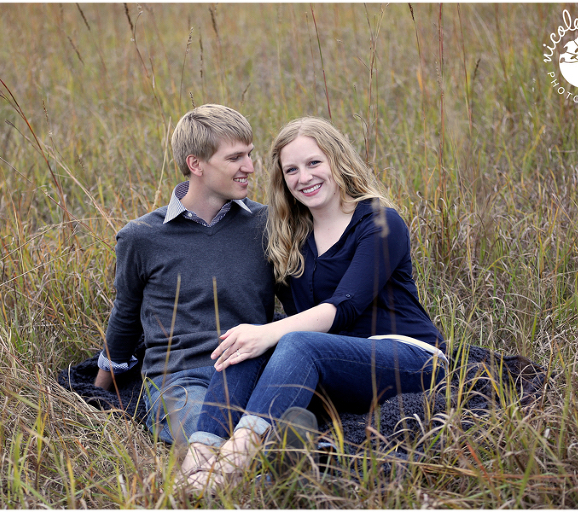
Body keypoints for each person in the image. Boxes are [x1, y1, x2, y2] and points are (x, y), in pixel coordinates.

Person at [180, 117, 447, 488]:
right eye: (292, 170)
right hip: (339, 368)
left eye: (314, 163)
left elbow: (345, 307)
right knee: (245, 346)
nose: (304, 177)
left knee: (291, 341)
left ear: (337, 160)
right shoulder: (291, 236)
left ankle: (233, 462)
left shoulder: (380, 222)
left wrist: (268, 333)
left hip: (409, 358)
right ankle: (197, 459)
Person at [94, 104, 284, 446]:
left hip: (252, 369)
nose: (250, 167)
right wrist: (97, 393)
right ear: (196, 164)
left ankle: (283, 452)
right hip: (180, 379)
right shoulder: (141, 237)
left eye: (249, 154)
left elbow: (302, 299)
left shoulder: (267, 224)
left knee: (269, 432)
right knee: (205, 438)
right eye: (235, 158)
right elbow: (125, 315)